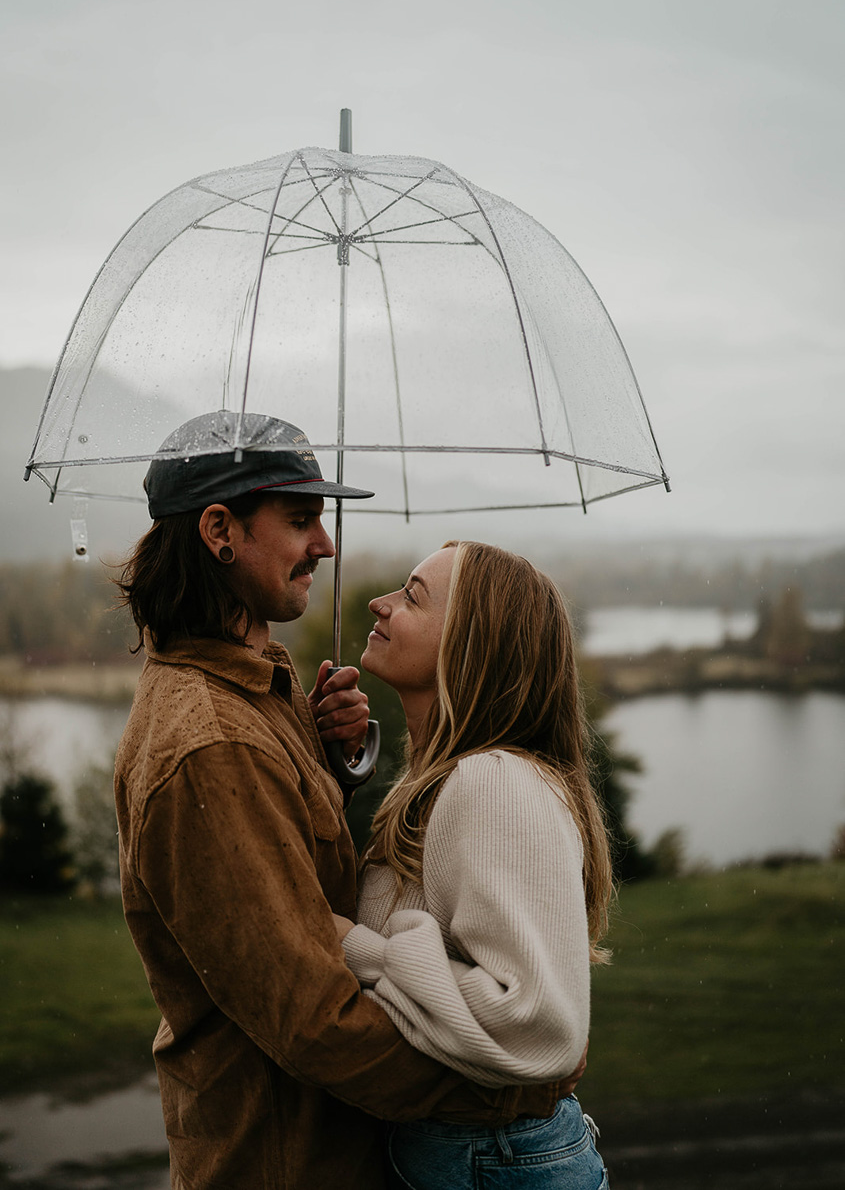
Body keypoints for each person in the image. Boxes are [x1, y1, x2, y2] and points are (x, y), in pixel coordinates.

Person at [113, 412, 587, 1190]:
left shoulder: (260, 685)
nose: (326, 545)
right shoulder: (208, 742)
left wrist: (336, 773)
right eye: (301, 519)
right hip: (285, 1157)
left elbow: (287, 873)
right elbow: (315, 1019)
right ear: (219, 529)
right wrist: (508, 1093)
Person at [335, 541, 613, 1189]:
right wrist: (337, 770)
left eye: (411, 596)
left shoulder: (490, 782)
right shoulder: (449, 779)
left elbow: (535, 1025)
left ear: (467, 643)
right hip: (477, 1155)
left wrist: (360, 951)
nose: (379, 602)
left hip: (491, 1160)